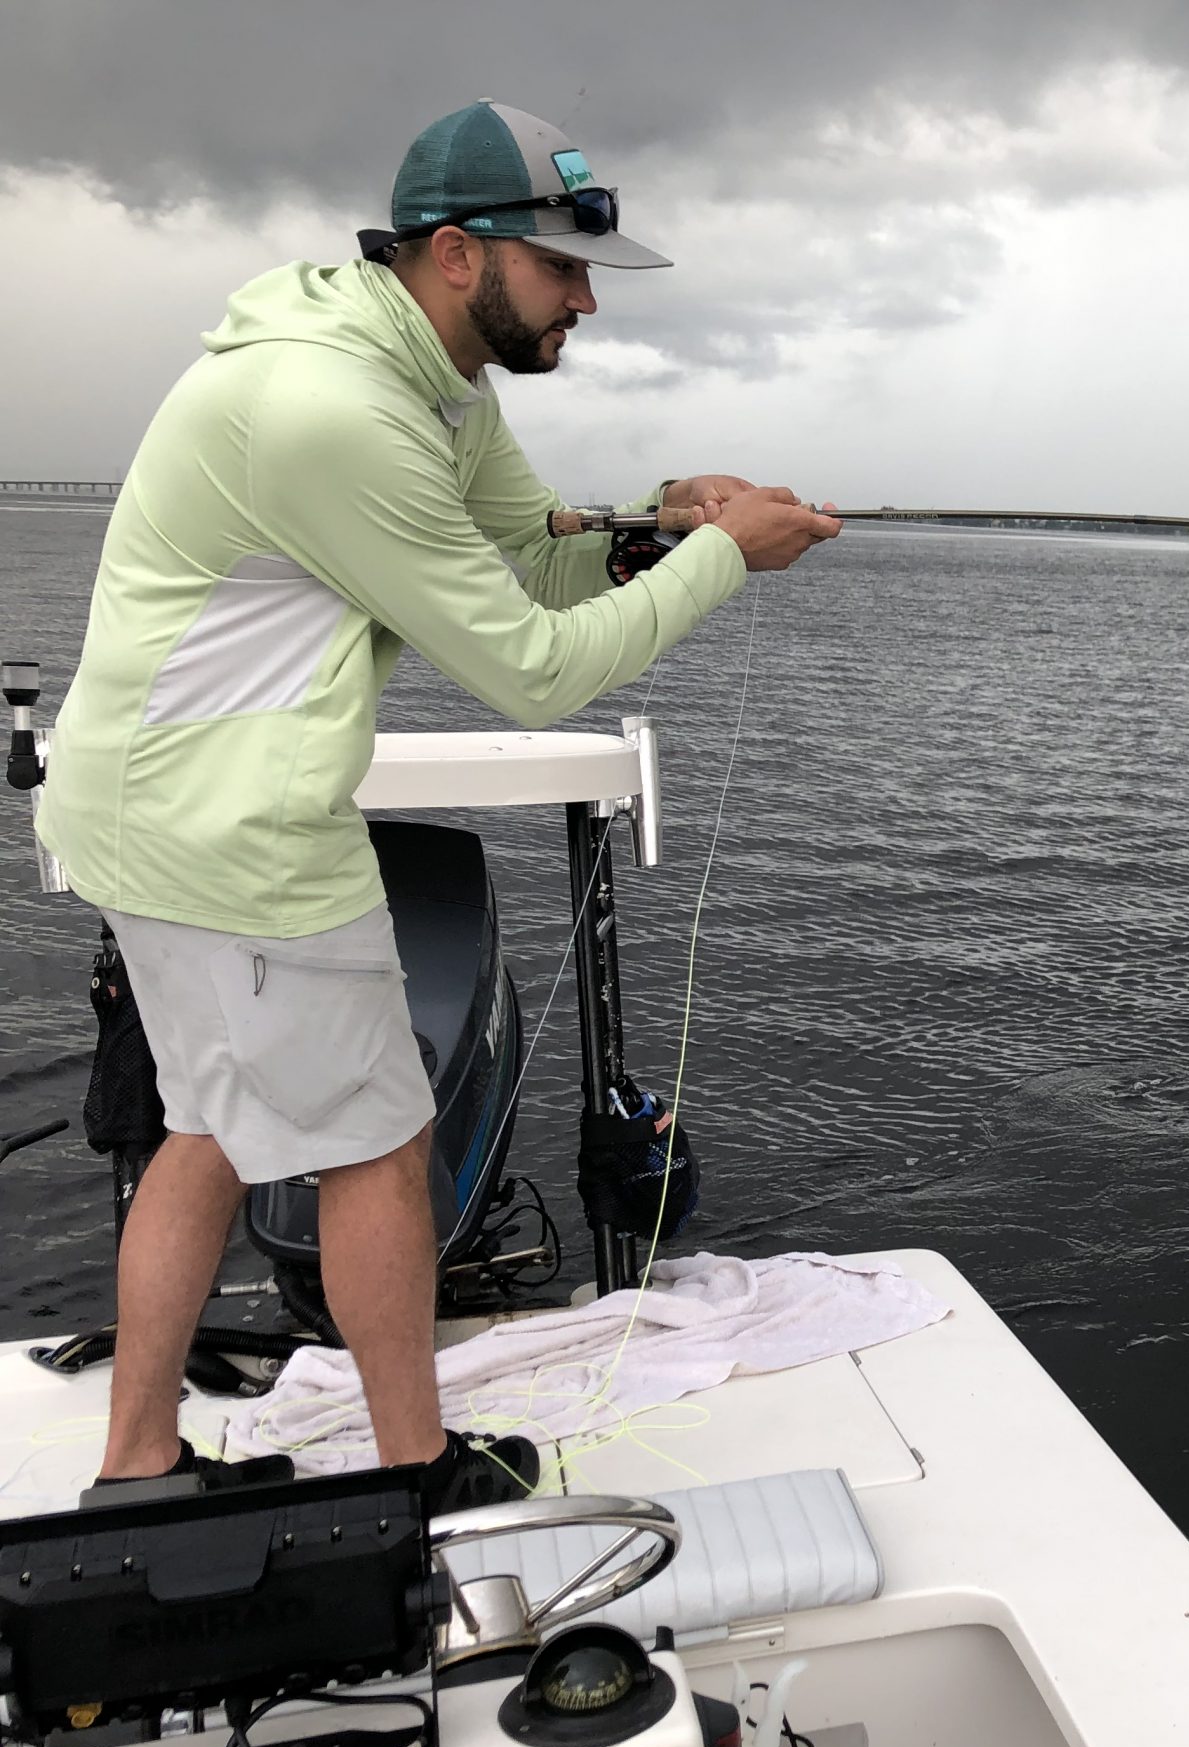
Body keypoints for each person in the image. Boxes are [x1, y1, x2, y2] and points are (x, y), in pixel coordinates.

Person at [35, 100, 839, 1512]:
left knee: (207, 1128)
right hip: (234, 834)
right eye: (563, 267)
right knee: (378, 1145)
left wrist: (664, 522)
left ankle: (140, 1458)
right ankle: (413, 1474)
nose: (587, 299)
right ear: (460, 253)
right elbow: (535, 670)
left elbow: (528, 553)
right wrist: (723, 562)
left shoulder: (426, 379)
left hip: (145, 808)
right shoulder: (335, 414)